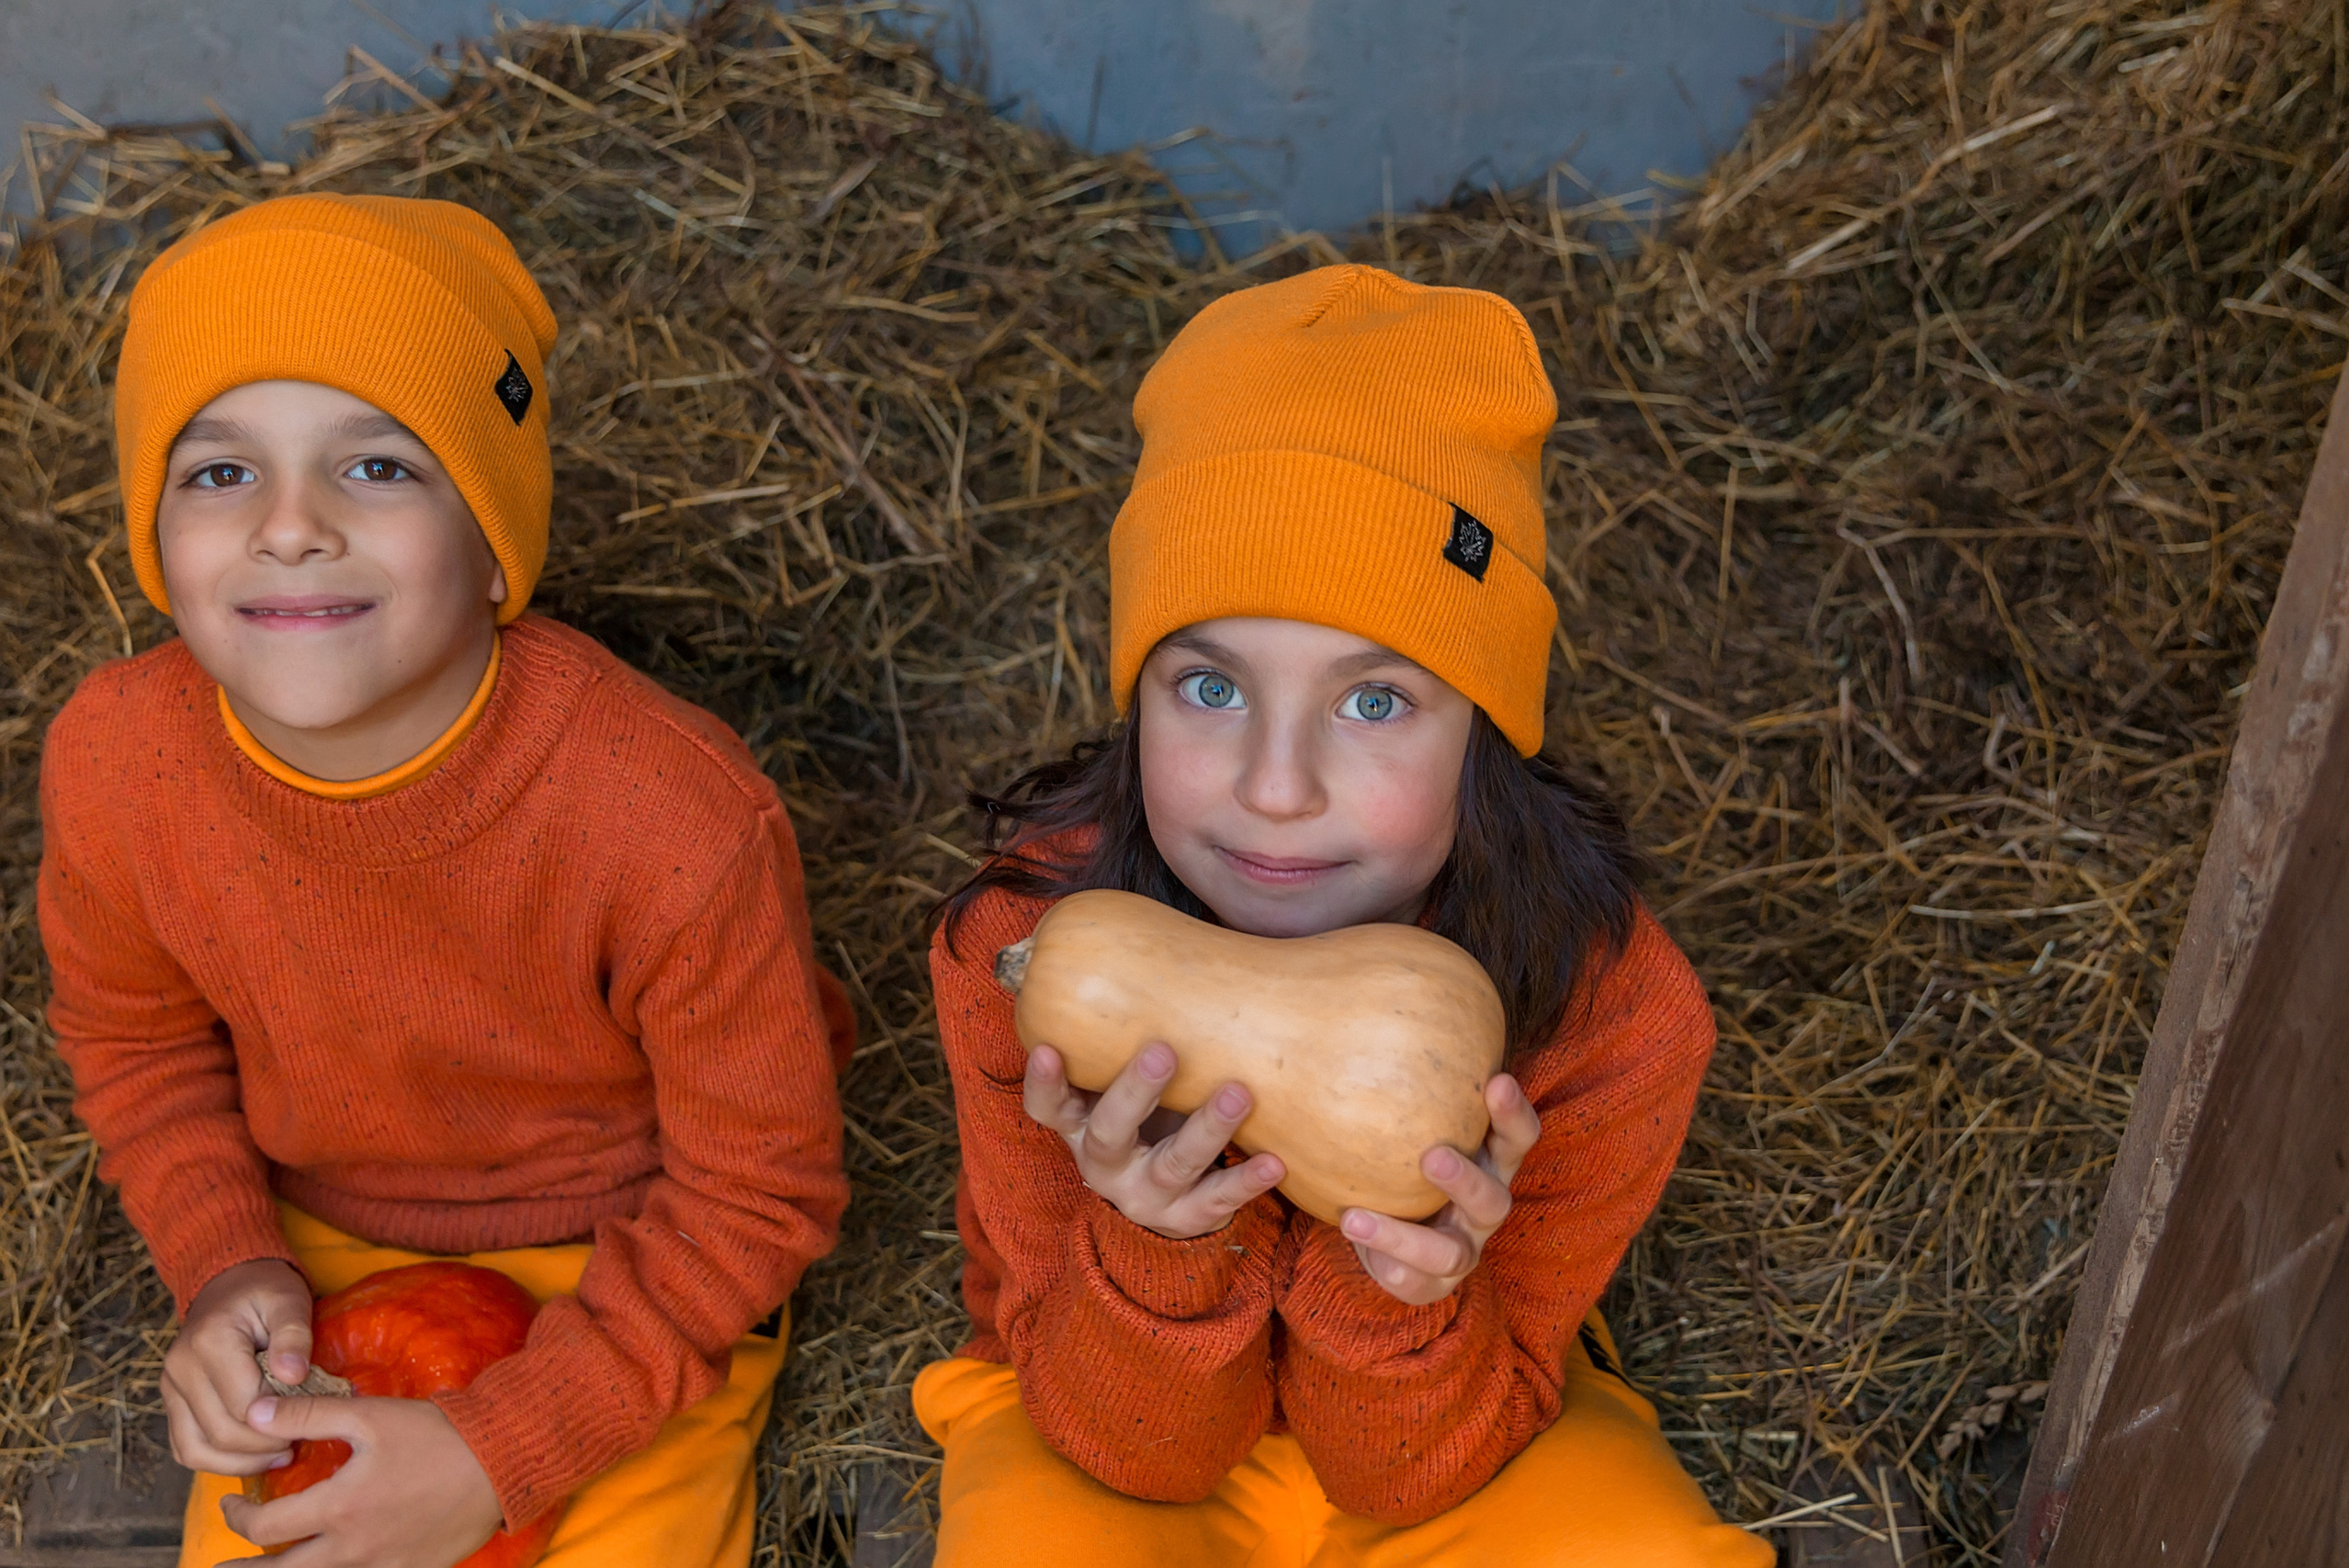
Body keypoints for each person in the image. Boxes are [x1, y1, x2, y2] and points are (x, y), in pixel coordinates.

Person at [36, 194, 853, 1568]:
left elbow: (756, 1190)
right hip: (312, 1247)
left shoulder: (668, 815)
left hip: (636, 1264)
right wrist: (228, 1262)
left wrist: (505, 1446)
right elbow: (139, 1047)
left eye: (378, 466)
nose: (291, 527)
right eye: (221, 473)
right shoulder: (118, 765)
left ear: (493, 543)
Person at [919, 265, 1776, 1566]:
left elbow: (1413, 1479)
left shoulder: (1619, 1013)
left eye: (1375, 702)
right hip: (1092, 1399)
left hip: (1456, 1412)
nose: (1277, 790)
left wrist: (1402, 1292)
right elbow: (1133, 1457)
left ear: (1485, 730)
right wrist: (1154, 1242)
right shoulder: (1024, 950)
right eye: (1210, 689)